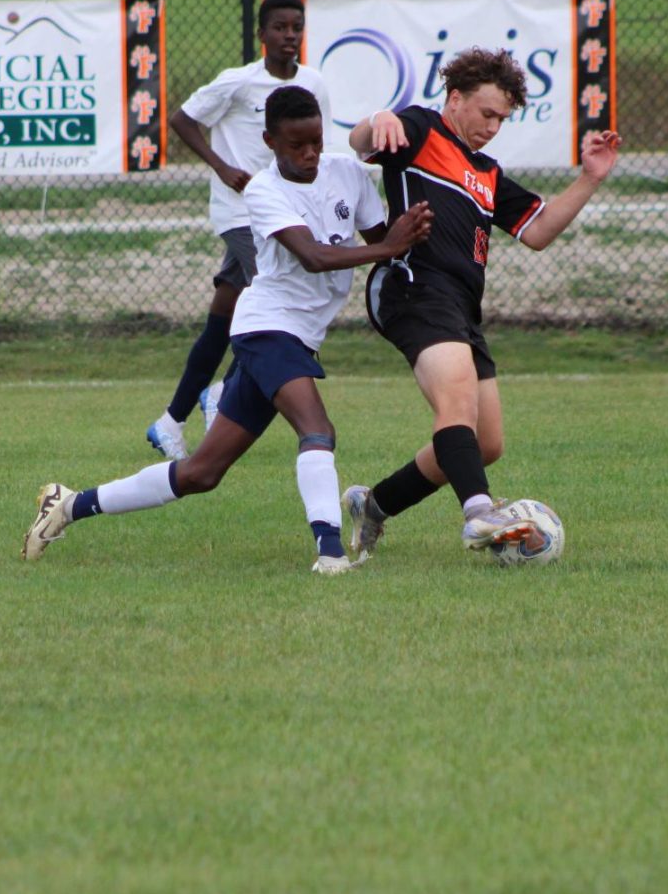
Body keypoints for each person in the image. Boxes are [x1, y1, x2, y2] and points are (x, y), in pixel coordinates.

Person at [23, 87, 433, 575]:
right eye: (295, 146)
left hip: (299, 338)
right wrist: (387, 248)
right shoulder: (263, 189)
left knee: (201, 473)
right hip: (266, 330)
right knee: (317, 430)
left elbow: (382, 241)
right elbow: (316, 256)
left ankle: (68, 505)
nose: (309, 155)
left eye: (317, 142)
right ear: (269, 141)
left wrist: (407, 252)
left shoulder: (348, 174)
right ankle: (330, 553)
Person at [339, 46, 621, 558]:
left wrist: (589, 178)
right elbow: (362, 142)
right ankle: (478, 514)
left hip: (461, 307)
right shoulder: (421, 130)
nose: (493, 126)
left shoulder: (487, 173)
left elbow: (537, 232)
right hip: (412, 285)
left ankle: (374, 505)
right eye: (486, 113)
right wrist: (375, 120)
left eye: (502, 118)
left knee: (485, 443)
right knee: (457, 407)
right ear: (455, 99)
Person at [146, 0, 333, 460]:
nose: (289, 36)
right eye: (280, 28)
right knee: (272, 307)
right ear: (262, 34)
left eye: (296, 27)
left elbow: (316, 150)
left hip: (282, 217)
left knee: (220, 325)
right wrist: (220, 165)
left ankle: (170, 420)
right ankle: (225, 393)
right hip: (242, 215)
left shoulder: (313, 84)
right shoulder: (238, 82)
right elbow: (181, 120)